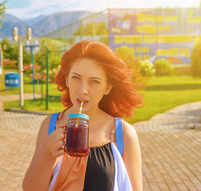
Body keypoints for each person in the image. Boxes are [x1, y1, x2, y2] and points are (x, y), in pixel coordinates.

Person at [22, 40, 144, 191]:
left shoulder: (123, 133)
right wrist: (48, 155)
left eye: (94, 81)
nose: (83, 90)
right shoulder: (50, 125)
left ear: (107, 87)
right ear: (67, 79)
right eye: (76, 78)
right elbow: (30, 189)